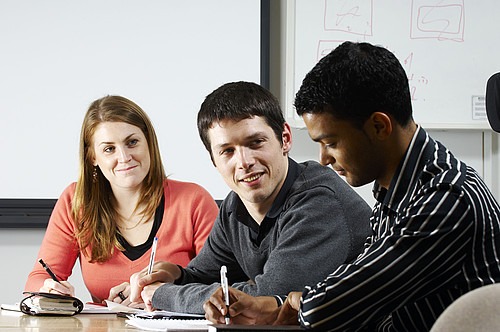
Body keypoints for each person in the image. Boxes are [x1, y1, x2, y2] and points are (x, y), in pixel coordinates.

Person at [203, 42, 500, 331]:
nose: (324, 159)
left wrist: (293, 303)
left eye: (331, 143)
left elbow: (355, 295)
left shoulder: (444, 198)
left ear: (379, 127)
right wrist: (281, 304)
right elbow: (353, 281)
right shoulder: (396, 189)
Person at [128, 81, 372, 314]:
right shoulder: (234, 206)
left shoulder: (319, 202)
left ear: (285, 139)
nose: (244, 162)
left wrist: (163, 294)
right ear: (214, 160)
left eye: (256, 143)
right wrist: (177, 276)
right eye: (227, 151)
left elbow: (268, 297)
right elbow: (204, 276)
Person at [24, 95, 219, 305]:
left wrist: (161, 295)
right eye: (109, 149)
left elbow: (220, 286)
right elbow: (37, 279)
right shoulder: (75, 200)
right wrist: (47, 289)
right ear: (93, 158)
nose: (124, 157)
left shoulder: (194, 201)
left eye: (132, 142)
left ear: (149, 143)